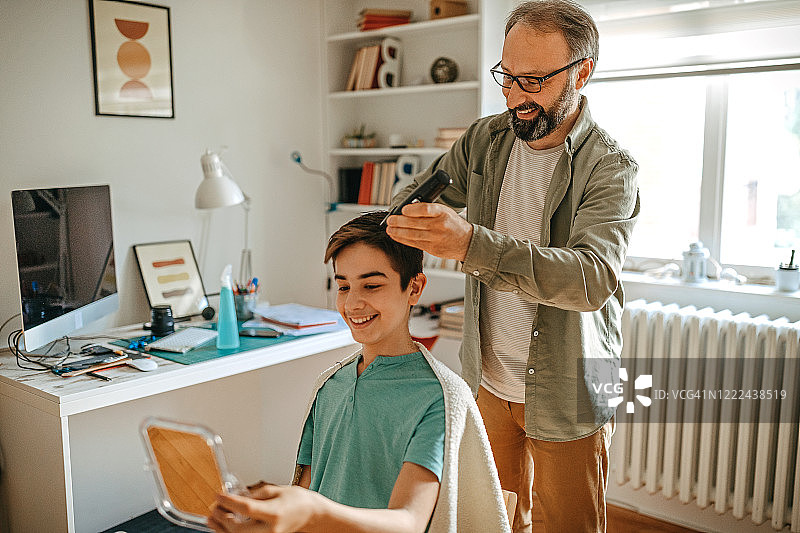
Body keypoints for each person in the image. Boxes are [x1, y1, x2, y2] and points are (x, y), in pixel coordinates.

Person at [384, 1, 640, 532]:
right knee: (492, 521)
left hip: (572, 387)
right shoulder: (485, 139)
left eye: (533, 81)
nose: (514, 97)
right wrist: (406, 216)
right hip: (489, 380)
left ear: (581, 73)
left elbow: (591, 279)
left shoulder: (611, 167)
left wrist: (471, 243)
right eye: (506, 76)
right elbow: (419, 192)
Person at [209, 211, 510, 533]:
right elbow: (307, 491)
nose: (352, 303)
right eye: (343, 286)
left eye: (371, 285)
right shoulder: (331, 385)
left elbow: (409, 522)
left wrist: (311, 512)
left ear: (414, 288)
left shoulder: (439, 397)